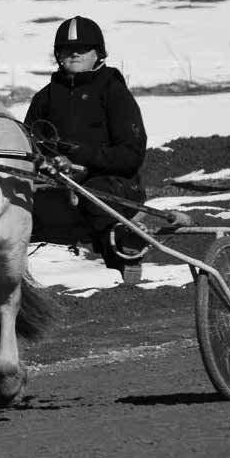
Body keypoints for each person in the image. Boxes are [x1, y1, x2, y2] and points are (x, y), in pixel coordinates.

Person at [25, 15, 147, 273]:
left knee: (92, 196)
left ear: (98, 53)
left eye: (82, 48)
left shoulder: (114, 93)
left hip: (115, 185)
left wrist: (80, 158)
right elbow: (29, 145)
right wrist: (44, 162)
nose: (74, 54)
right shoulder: (44, 98)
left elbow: (131, 155)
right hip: (57, 182)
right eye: (67, 49)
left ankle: (124, 261)